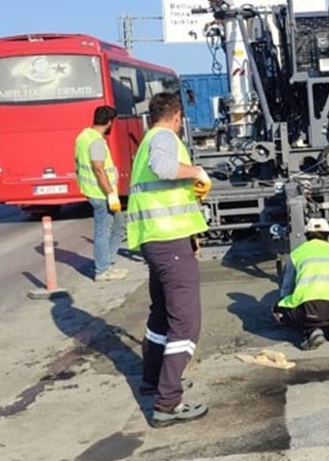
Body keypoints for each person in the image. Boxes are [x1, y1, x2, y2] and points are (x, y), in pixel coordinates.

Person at [127, 92, 212, 428]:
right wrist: (198, 171)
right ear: (176, 116)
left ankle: (154, 378)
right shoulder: (164, 138)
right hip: (168, 240)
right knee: (186, 322)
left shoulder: (148, 139)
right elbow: (163, 169)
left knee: (162, 314)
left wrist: (193, 233)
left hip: (157, 239)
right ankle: (167, 402)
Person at [273, 218, 329, 350]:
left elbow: (287, 288)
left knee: (280, 309)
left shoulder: (297, 254)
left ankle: (311, 331)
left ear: (306, 237)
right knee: (327, 306)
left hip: (312, 310)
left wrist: (281, 305)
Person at [74, 106, 128, 282]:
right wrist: (111, 193)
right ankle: (103, 269)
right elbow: (98, 168)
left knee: (119, 225)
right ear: (110, 122)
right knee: (103, 231)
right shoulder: (96, 141)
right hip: (101, 194)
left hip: (95, 192)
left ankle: (107, 263)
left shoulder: (83, 136)